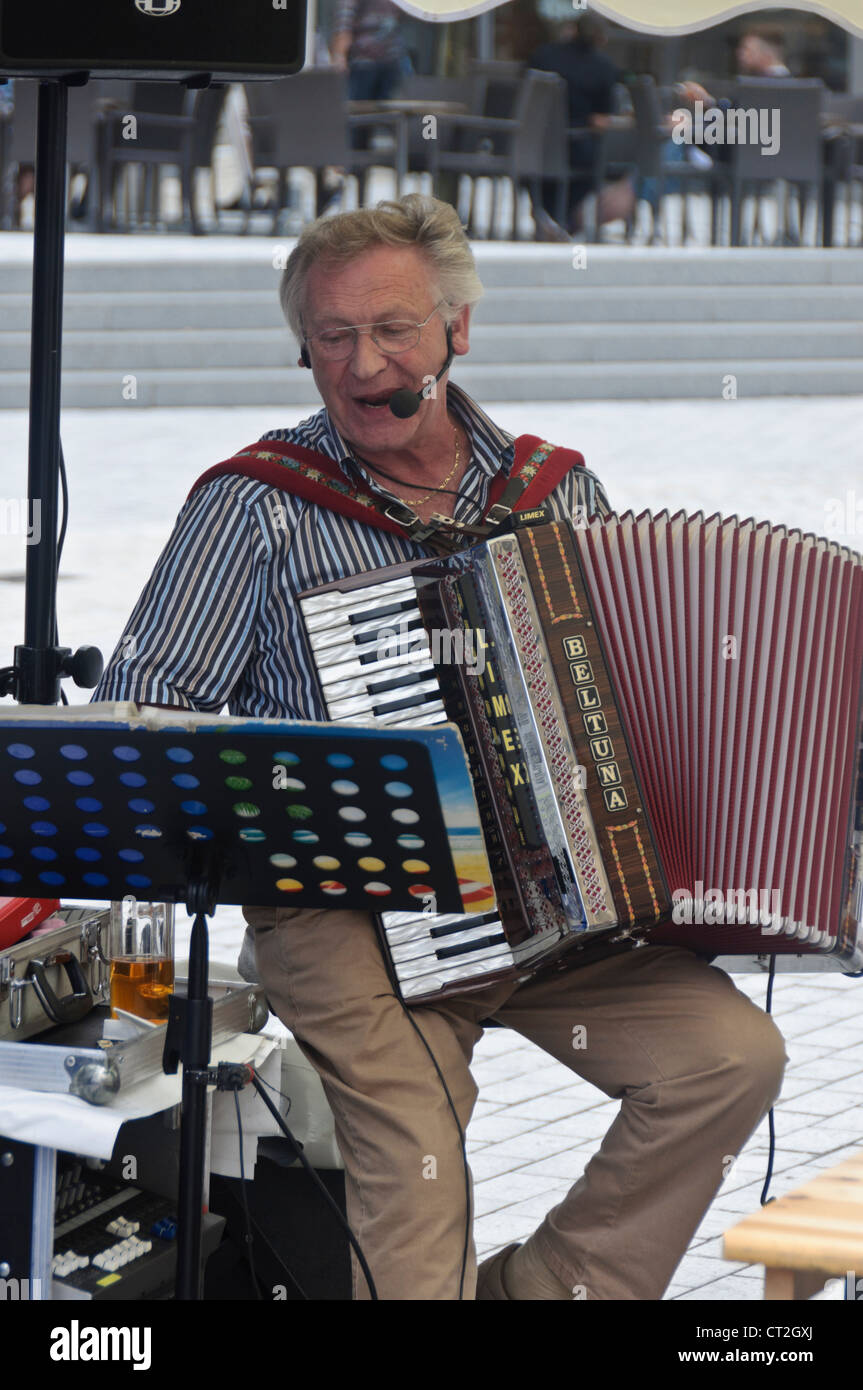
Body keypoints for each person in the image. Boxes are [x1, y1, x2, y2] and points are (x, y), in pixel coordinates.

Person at [91, 194, 786, 1300]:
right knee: (416, 1141)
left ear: (458, 330)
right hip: (343, 908)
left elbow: (627, 704)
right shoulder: (255, 507)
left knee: (728, 1059)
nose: (362, 363)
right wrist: (302, 784)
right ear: (303, 348)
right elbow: (143, 713)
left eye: (393, 330)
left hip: (537, 915)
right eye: (331, 337)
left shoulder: (552, 494)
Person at [528, 13, 636, 236]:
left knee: (540, 174)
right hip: (577, 149)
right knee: (599, 162)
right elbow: (603, 116)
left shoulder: (542, 56)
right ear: (601, 39)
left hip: (532, 145)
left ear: (573, 30)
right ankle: (564, 219)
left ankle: (549, 216)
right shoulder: (603, 67)